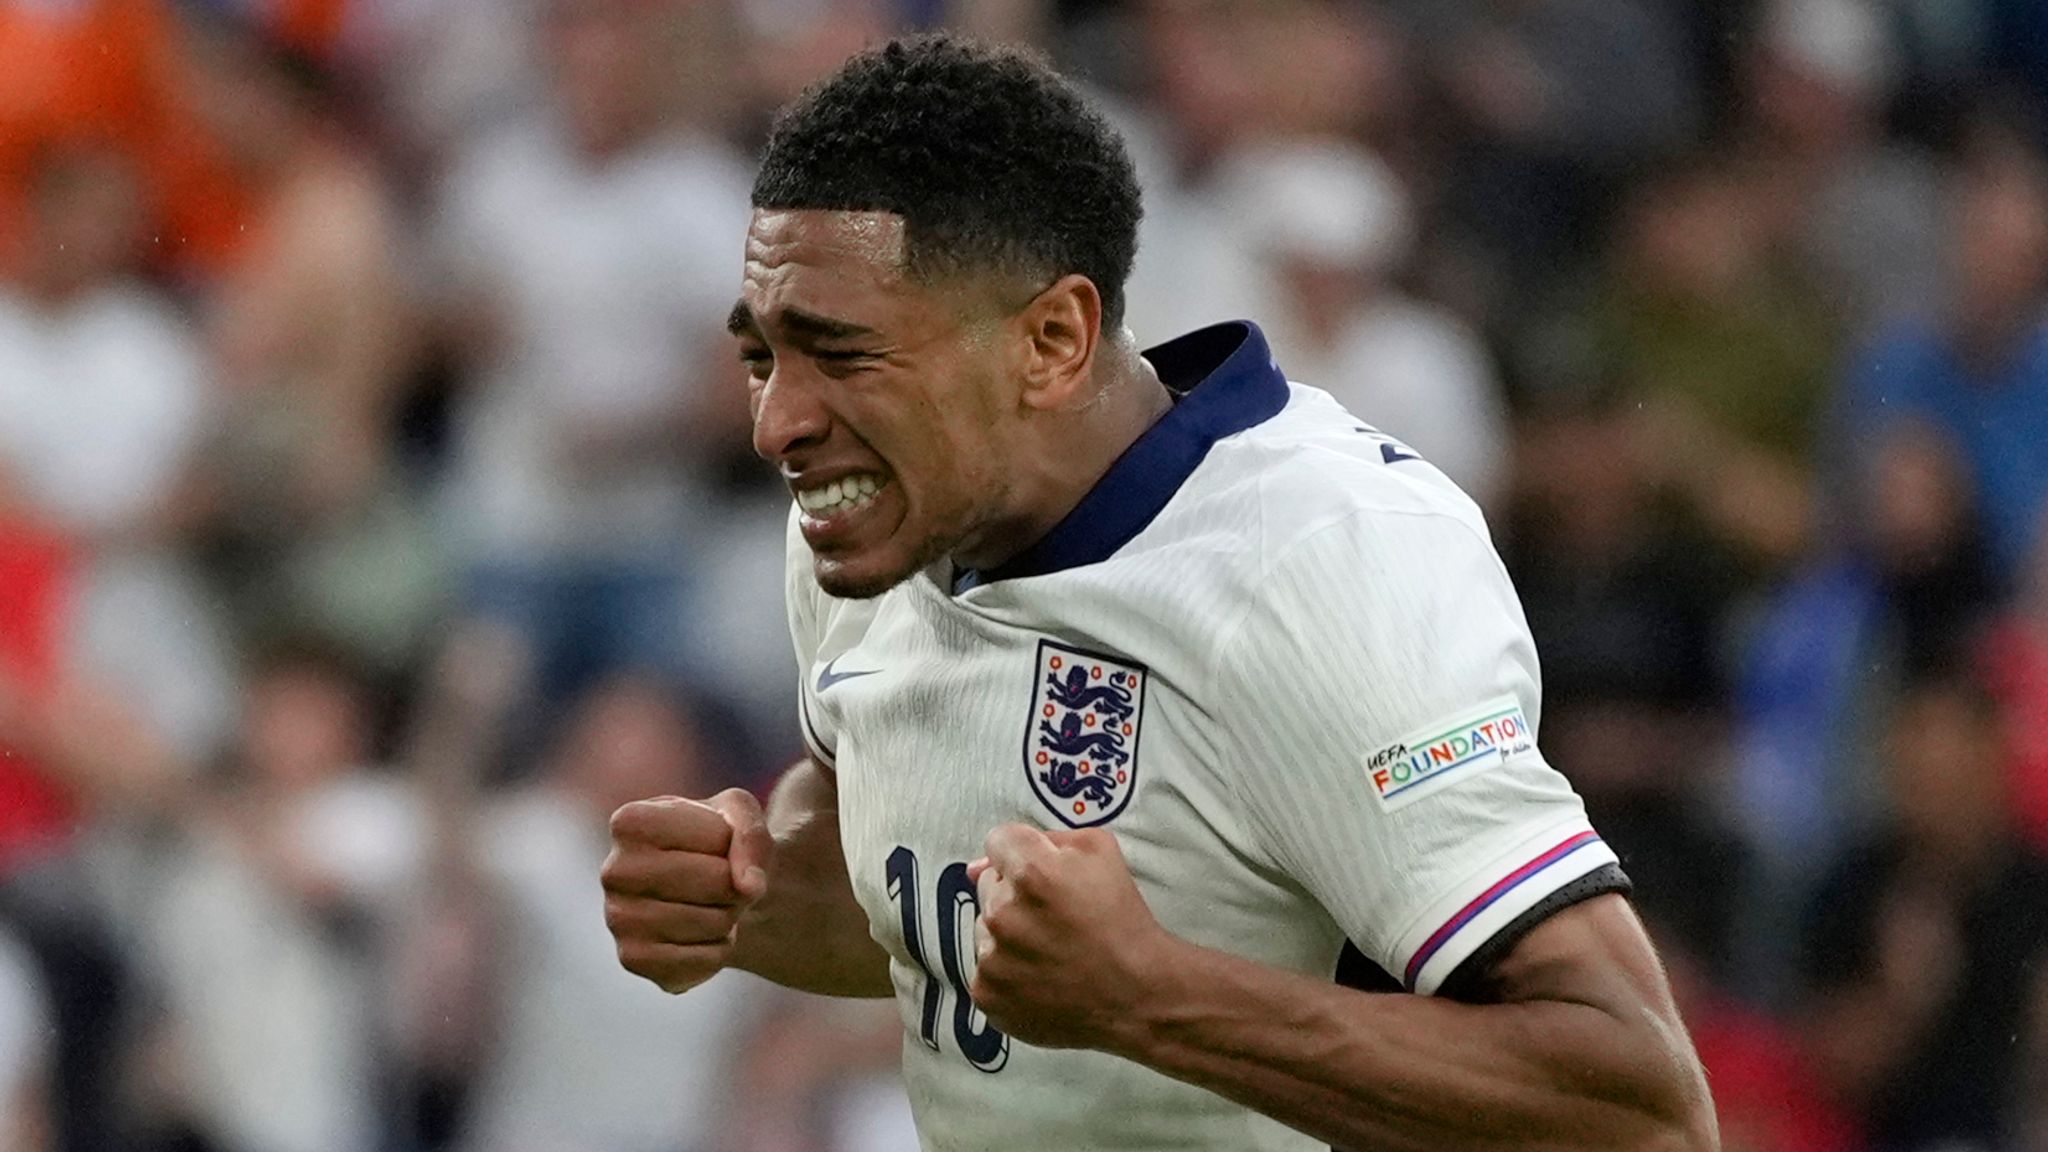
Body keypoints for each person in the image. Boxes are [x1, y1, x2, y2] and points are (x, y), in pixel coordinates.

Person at [601, 36, 1713, 1152]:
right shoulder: (876, 518)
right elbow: (922, 887)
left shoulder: (1323, 565)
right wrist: (744, 889)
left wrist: (1150, 997)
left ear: (1051, 339)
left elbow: (1636, 1108)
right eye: (762, 358)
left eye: (840, 356)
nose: (775, 423)